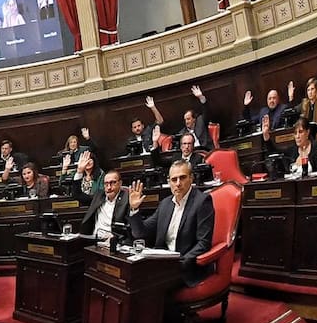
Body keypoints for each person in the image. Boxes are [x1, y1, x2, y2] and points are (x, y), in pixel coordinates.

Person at [127, 159, 215, 288]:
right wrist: (134, 209)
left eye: (182, 178)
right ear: (169, 182)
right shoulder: (165, 204)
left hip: (187, 266)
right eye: (174, 180)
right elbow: (140, 233)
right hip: (163, 263)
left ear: (191, 178)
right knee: (131, 277)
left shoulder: (202, 202)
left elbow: (203, 243)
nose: (178, 184)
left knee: (146, 285)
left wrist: (179, 263)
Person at [147, 84, 212, 150]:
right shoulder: (182, 133)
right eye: (185, 119)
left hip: (206, 150)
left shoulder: (200, 121)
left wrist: (201, 97)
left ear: (194, 119)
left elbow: (207, 110)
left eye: (188, 119)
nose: (186, 121)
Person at [79, 170, 127, 241]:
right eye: (106, 184)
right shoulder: (99, 195)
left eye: (113, 183)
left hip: (113, 241)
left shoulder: (126, 199)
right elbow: (78, 196)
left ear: (120, 183)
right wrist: (79, 172)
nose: (109, 187)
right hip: (94, 240)